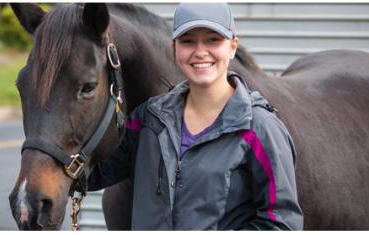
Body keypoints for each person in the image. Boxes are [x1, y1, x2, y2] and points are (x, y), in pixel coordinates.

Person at [88, 3, 303, 230]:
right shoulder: (148, 120)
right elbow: (90, 173)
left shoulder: (260, 129)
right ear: (175, 49)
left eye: (213, 40)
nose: (200, 51)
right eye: (188, 41)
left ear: (232, 47)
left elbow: (282, 225)